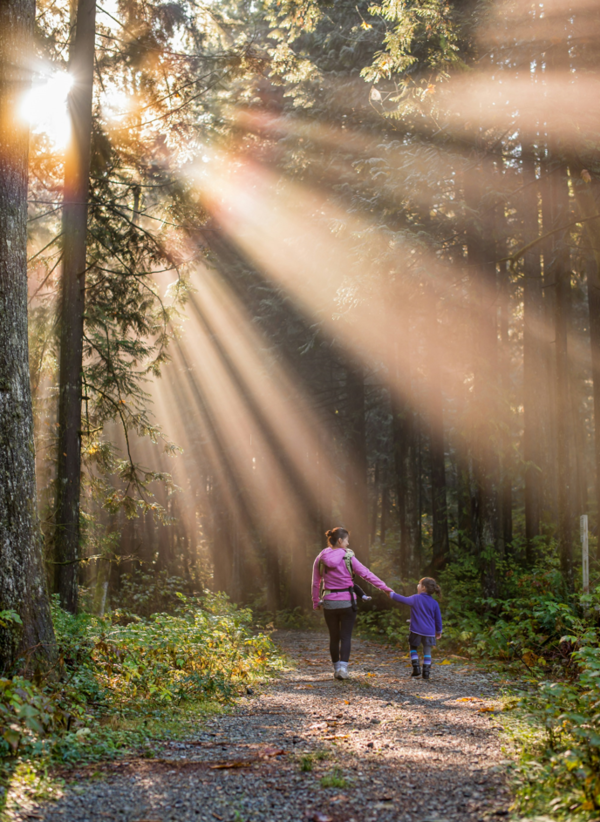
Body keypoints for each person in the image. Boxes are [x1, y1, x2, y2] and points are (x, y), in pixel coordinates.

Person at [312, 526, 392, 680]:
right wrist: (385, 589)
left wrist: (316, 602)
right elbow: (366, 574)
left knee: (334, 637)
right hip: (347, 603)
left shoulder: (320, 557)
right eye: (347, 540)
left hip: (329, 603)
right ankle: (343, 669)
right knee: (345, 637)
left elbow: (316, 583)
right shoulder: (348, 557)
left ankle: (336, 669)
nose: (348, 544)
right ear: (340, 540)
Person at [389, 577, 442, 680]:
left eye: (419, 584)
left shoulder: (415, 598)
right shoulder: (434, 603)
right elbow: (438, 619)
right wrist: (438, 631)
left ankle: (416, 668)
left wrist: (391, 594)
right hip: (429, 632)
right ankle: (426, 672)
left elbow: (402, 599)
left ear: (423, 588)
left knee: (413, 648)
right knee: (427, 651)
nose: (417, 586)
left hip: (416, 630)